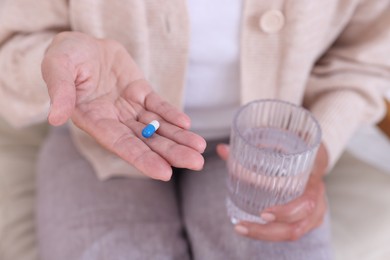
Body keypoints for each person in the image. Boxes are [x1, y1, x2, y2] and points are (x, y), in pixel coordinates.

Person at [0, 0, 389, 259]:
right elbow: (11, 41)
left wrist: (316, 154)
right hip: (99, 140)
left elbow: (369, 57)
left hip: (267, 147)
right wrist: (56, 63)